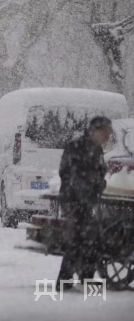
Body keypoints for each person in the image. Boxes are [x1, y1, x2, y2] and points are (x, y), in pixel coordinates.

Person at [56, 116, 112, 286]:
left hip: (85, 200)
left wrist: (99, 185)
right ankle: (65, 280)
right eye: (106, 133)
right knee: (78, 240)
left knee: (90, 240)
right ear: (95, 130)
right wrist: (85, 194)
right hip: (74, 200)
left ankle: (84, 278)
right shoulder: (77, 147)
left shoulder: (96, 149)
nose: (108, 137)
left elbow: (98, 173)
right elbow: (68, 173)